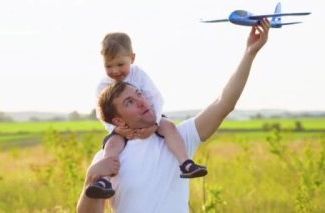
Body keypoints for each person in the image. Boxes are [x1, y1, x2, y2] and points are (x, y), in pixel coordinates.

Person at [77, 19, 270, 213]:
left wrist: (249, 53)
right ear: (117, 120)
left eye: (139, 94)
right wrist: (90, 178)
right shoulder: (107, 157)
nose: (142, 101)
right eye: (129, 102)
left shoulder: (177, 138)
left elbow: (224, 104)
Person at [86, 32, 207, 199]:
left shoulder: (139, 76)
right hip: (121, 126)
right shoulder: (103, 85)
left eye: (120, 64)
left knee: (169, 127)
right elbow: (102, 113)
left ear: (132, 58)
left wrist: (155, 124)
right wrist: (118, 130)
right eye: (108, 66)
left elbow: (155, 98)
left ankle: (185, 163)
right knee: (112, 145)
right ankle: (104, 181)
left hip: (151, 117)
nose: (115, 71)